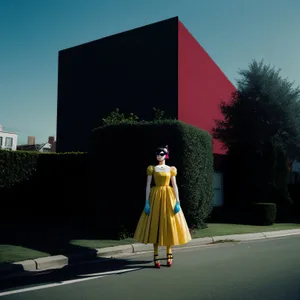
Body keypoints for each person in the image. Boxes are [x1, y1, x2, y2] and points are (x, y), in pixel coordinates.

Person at [133, 145, 192, 268]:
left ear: (166, 155)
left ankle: (169, 252)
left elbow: (174, 185)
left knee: (169, 224)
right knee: (155, 224)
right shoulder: (152, 169)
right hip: (155, 197)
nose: (158, 155)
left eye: (161, 153)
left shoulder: (171, 169)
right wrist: (146, 202)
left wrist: (178, 201)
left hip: (168, 197)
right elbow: (148, 185)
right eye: (157, 153)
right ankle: (155, 255)